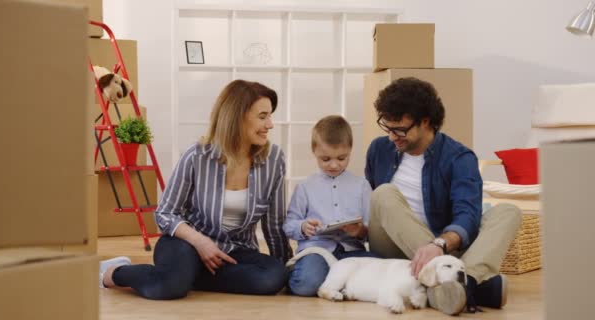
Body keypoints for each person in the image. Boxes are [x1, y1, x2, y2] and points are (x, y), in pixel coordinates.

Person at [98, 79, 293, 300]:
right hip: (186, 243)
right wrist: (201, 242)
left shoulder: (274, 159)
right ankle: (114, 272)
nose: (270, 124)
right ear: (237, 117)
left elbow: (274, 225)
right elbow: (165, 213)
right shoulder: (197, 156)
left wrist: (287, 269)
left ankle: (185, 276)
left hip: (235, 251)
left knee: (272, 278)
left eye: (270, 116)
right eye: (262, 116)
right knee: (166, 289)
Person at [364, 77, 521, 315]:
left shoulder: (459, 158)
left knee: (509, 212)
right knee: (384, 193)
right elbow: (374, 205)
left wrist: (439, 244)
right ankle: (467, 285)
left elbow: (467, 215)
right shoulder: (379, 149)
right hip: (392, 248)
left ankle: (441, 289)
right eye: (387, 128)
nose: (392, 136)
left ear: (425, 122)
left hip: (443, 250)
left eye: (400, 130)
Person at [283, 115, 376, 297]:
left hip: (351, 252)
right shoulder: (305, 187)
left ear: (350, 150)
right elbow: (289, 224)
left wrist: (359, 231)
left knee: (381, 264)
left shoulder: (362, 186)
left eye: (342, 158)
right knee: (304, 285)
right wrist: (303, 227)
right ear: (314, 151)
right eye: (325, 159)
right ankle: (332, 280)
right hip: (317, 250)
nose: (334, 165)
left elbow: (371, 229)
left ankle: (333, 281)